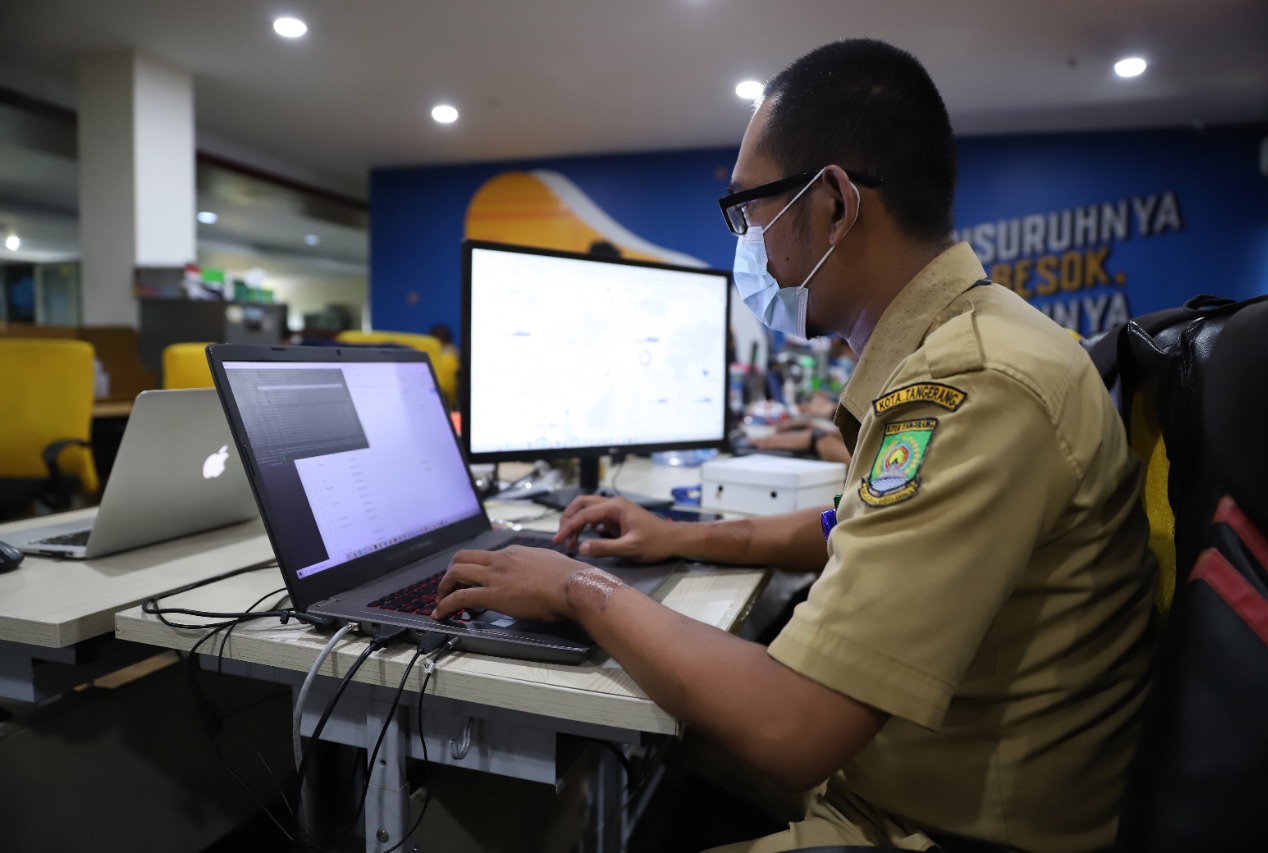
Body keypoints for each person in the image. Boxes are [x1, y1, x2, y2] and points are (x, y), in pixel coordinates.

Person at [437, 38, 1155, 853]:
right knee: (651, 746)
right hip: (906, 775)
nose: (746, 242)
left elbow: (794, 725)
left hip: (942, 826)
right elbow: (850, 529)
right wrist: (681, 536)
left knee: (656, 740)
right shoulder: (962, 346)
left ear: (837, 204)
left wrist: (579, 589)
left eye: (750, 210)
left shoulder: (976, 386)